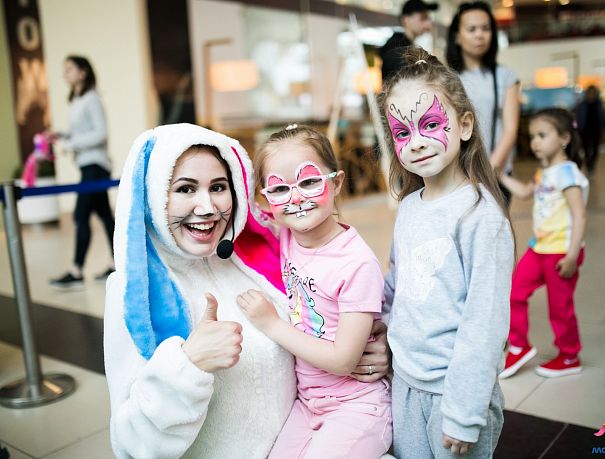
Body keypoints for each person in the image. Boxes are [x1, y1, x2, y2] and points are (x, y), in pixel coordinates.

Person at [103, 123, 390, 458]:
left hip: (343, 416)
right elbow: (129, 443)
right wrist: (187, 363)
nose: (206, 207)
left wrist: (384, 343)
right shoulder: (135, 294)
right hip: (305, 420)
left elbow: (337, 313)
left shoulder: (263, 248)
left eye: (218, 187)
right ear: (153, 195)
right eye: (185, 189)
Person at [381, 48, 514, 457]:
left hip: (454, 393)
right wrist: (377, 334)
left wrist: (463, 412)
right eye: (402, 133)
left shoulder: (480, 216)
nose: (417, 143)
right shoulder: (409, 206)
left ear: (465, 125)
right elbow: (395, 287)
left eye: (430, 124)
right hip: (406, 382)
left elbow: (485, 324)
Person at [237, 125, 393, 458]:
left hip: (357, 408)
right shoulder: (286, 234)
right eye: (280, 189)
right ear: (265, 198)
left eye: (309, 182)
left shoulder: (356, 263)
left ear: (336, 183)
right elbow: (239, 207)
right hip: (307, 405)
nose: (296, 198)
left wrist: (271, 324)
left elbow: (343, 359)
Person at [499, 108, 588, 380]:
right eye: (532, 136)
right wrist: (501, 175)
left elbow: (580, 214)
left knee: (560, 308)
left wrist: (572, 255)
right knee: (514, 292)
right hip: (539, 248)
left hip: (561, 251)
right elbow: (525, 192)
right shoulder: (544, 172)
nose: (535, 142)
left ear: (564, 139)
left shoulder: (568, 173)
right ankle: (519, 346)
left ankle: (570, 356)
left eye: (542, 135)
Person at [50, 55, 115, 290]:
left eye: (69, 69)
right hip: (88, 165)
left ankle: (76, 270)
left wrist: (72, 144)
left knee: (80, 215)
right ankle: (118, 262)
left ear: (83, 72)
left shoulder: (91, 98)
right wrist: (62, 135)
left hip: (95, 166)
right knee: (105, 216)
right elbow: (82, 131)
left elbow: (100, 133)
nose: (64, 74)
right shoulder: (77, 100)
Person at [446, 1, 520, 205]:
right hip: (457, 176)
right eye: (472, 29)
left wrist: (489, 170)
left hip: (496, 174)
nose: (480, 35)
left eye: (486, 28)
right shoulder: (446, 78)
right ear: (457, 36)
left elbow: (511, 129)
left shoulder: (505, 76)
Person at [379, 0, 439, 82]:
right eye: (423, 18)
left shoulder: (402, 45)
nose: (429, 24)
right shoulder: (397, 48)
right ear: (406, 20)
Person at [576, 85, 605, 175]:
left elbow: (602, 117)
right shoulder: (582, 105)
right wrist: (578, 129)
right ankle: (588, 164)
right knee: (586, 149)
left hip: (596, 130)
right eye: (589, 92)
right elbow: (578, 118)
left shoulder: (599, 104)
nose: (591, 94)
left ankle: (591, 164)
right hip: (585, 130)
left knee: (595, 148)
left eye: (593, 93)